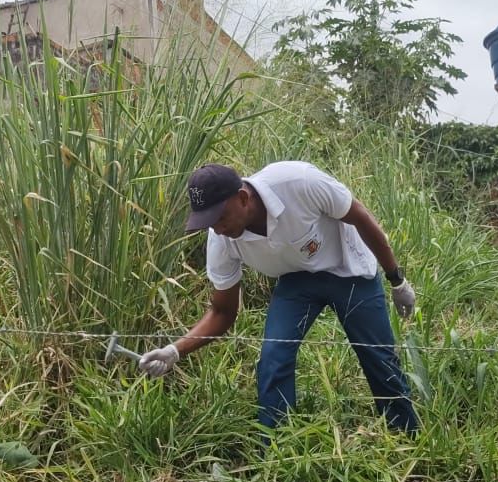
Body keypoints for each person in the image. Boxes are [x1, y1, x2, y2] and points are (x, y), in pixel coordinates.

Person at [138, 161, 420, 436]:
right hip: (297, 280)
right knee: (274, 357)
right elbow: (222, 312)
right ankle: (276, 445)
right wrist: (175, 351)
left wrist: (396, 280)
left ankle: (405, 435)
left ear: (242, 197)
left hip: (350, 270)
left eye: (220, 218)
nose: (217, 229)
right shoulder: (222, 240)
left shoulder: (299, 182)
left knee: (377, 356)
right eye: (209, 223)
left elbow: (361, 218)